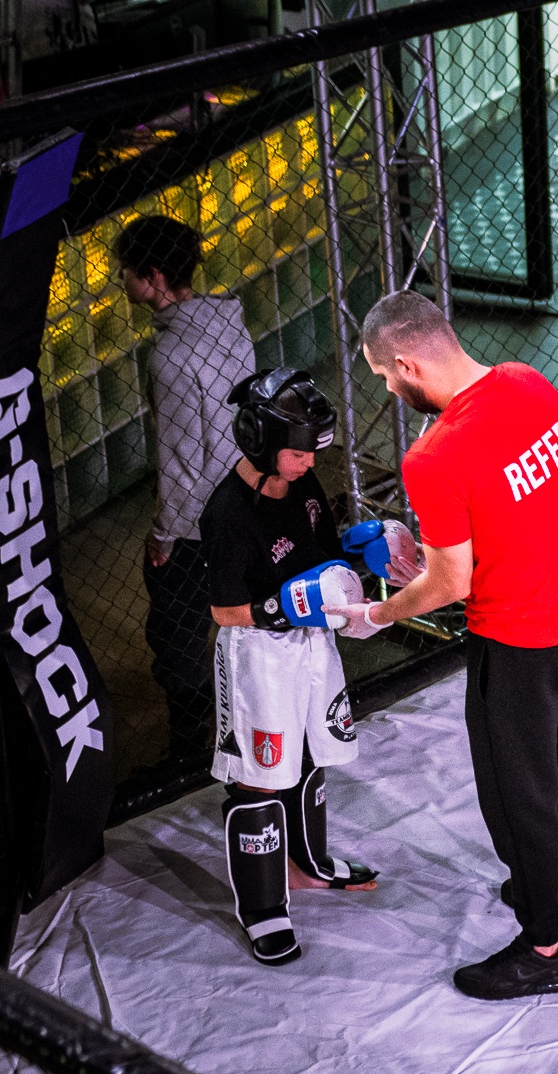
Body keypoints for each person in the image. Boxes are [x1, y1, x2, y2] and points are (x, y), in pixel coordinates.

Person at [332, 290, 558, 1002]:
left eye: (384, 377)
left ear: (406, 363)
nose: (389, 391)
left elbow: (452, 583)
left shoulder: (434, 456)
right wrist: (427, 565)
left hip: (520, 638)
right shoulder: (528, 382)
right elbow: (527, 511)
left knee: (519, 792)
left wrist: (379, 613)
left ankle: (546, 948)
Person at [202, 369, 383, 965]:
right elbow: (224, 610)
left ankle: (305, 867)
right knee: (261, 774)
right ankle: (261, 908)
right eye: (299, 453)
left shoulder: (304, 488)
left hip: (311, 642)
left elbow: (323, 556)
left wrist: (363, 549)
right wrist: (278, 607)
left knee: (312, 748)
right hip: (256, 652)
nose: (309, 463)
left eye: (312, 453)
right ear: (259, 440)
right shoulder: (227, 512)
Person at [115, 215, 256, 765]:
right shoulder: (229, 325)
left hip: (198, 520)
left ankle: (189, 750)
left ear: (152, 276)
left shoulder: (169, 357)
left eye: (125, 271)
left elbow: (179, 460)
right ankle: (245, 728)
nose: (120, 282)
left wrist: (163, 535)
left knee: (177, 637)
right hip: (244, 498)